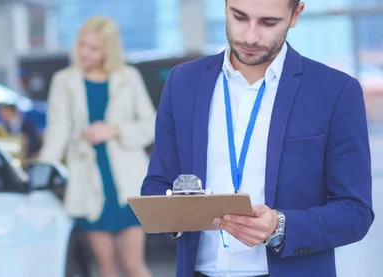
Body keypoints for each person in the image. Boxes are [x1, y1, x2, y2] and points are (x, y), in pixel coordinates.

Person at [141, 1, 374, 277]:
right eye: (239, 17)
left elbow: (355, 212)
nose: (250, 37)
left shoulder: (335, 91)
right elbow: (157, 184)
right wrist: (179, 213)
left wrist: (280, 226)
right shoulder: (183, 82)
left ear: (295, 14)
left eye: (268, 22)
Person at [37, 16, 156, 277]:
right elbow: (56, 133)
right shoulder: (64, 81)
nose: (85, 53)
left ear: (108, 50)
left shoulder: (128, 77)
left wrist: (113, 130)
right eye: (82, 45)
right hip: (86, 180)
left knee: (133, 264)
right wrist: (42, 171)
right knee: (105, 265)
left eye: (93, 48)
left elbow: (150, 126)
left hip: (127, 182)